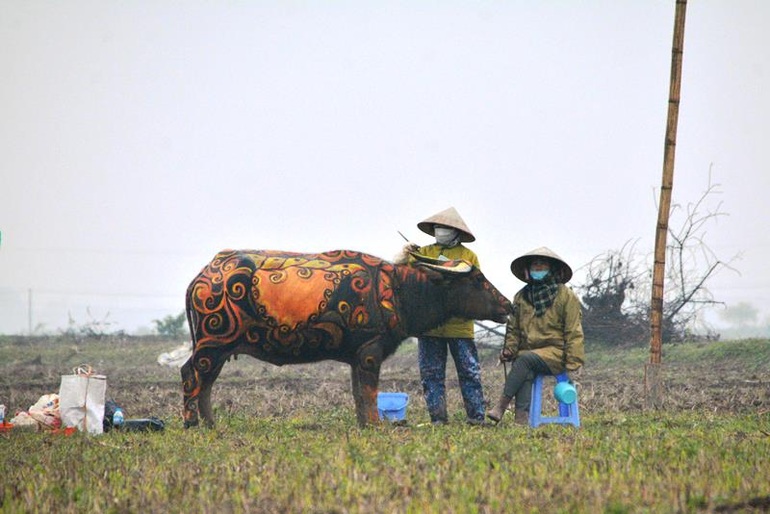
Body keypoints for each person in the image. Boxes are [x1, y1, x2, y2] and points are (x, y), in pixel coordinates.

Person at [403, 206, 487, 425]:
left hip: (460, 326)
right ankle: (438, 418)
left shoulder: (468, 256)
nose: (441, 231)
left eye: (445, 227)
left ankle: (476, 417)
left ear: (456, 231)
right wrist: (406, 254)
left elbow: (475, 286)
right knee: (431, 374)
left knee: (469, 372)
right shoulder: (424, 253)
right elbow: (404, 275)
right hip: (429, 326)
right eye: (438, 227)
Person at [487, 247, 585, 426]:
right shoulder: (521, 297)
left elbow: (573, 332)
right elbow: (514, 329)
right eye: (534, 264)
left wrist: (573, 364)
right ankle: (521, 419)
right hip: (529, 354)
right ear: (528, 270)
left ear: (552, 268)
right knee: (524, 365)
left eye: (543, 264)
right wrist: (509, 350)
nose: (538, 267)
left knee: (524, 360)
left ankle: (501, 405)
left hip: (556, 353)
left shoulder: (566, 296)